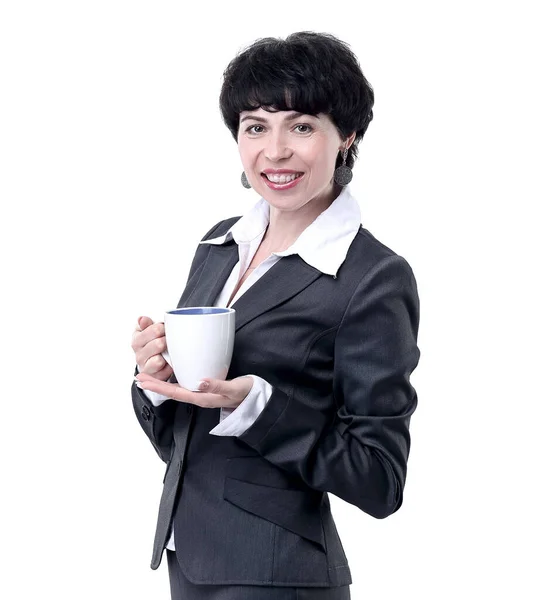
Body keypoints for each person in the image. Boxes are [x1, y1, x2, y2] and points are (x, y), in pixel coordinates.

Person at [130, 31, 420, 600]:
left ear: (348, 136)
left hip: (278, 577)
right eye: (255, 126)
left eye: (303, 126)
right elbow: (187, 439)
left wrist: (257, 407)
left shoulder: (372, 277)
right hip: (188, 558)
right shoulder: (219, 245)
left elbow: (381, 480)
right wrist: (159, 384)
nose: (275, 150)